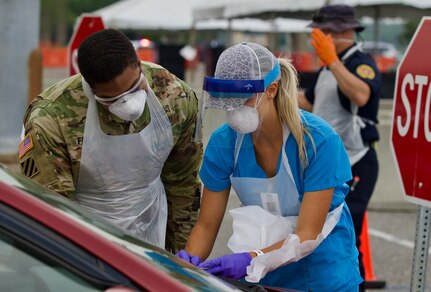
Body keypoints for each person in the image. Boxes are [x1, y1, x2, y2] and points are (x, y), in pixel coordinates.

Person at [176, 41, 362, 291]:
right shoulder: (224, 142)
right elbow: (206, 225)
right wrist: (186, 268)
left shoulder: (318, 141)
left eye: (243, 98)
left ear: (272, 89)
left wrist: (249, 260)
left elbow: (307, 234)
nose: (233, 109)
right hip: (264, 273)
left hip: (322, 271)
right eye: (227, 99)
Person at [17, 29, 202, 252]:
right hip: (83, 232)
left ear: (139, 64)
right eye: (111, 99)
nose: (128, 103)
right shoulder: (51, 118)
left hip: (153, 223)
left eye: (135, 87)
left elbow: (182, 185)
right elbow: (54, 210)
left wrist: (183, 260)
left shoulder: (174, 96)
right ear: (89, 86)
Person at [297, 5, 382, 290]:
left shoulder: (359, 63)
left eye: (323, 33)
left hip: (356, 159)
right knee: (319, 232)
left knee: (348, 230)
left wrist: (334, 61)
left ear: (343, 31)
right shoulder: (326, 68)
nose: (316, 40)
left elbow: (361, 94)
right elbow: (309, 102)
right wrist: (274, 88)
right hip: (327, 162)